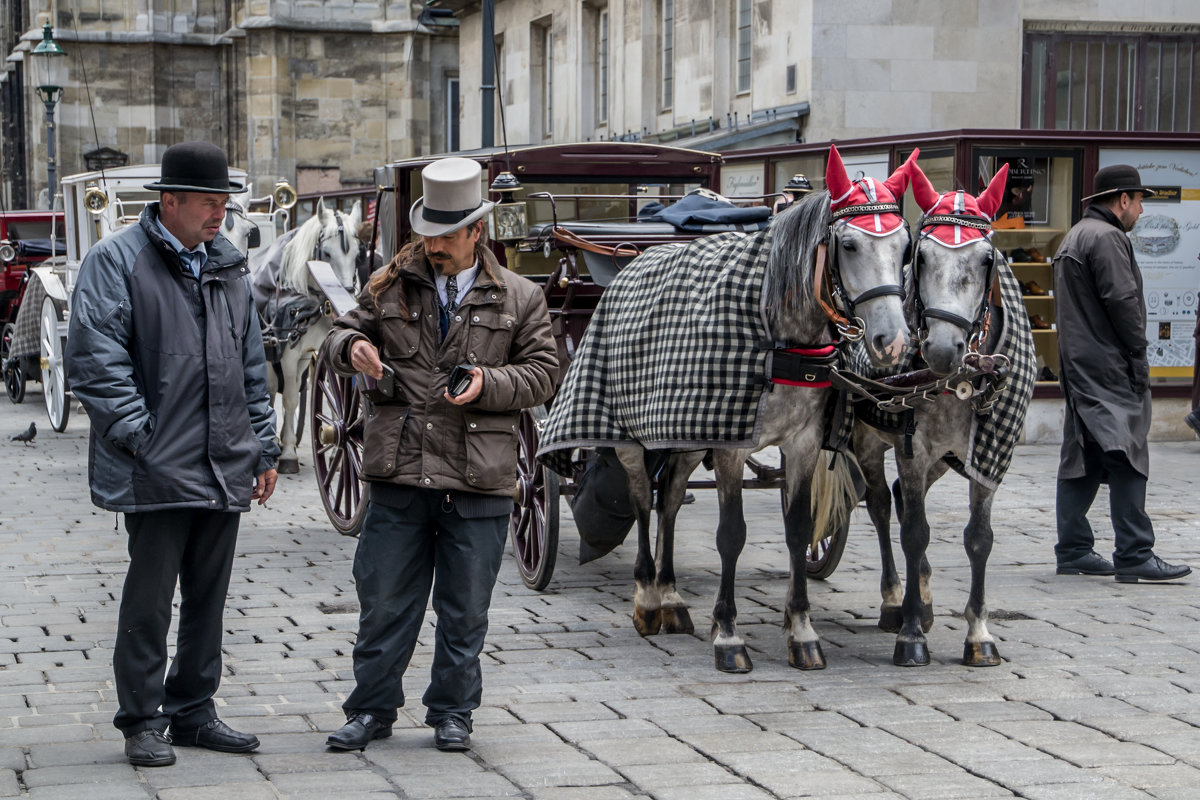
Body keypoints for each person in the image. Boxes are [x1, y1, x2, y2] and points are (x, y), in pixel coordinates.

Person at [322, 157, 557, 753]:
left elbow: (544, 375)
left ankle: (453, 713)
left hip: (478, 477)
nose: (436, 247)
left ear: (477, 230)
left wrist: (488, 384)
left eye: (448, 236)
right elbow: (336, 335)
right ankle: (371, 710)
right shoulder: (387, 286)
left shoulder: (520, 297)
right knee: (382, 603)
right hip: (400, 475)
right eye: (429, 235)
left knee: (464, 611)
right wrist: (352, 348)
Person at [65, 141, 280, 767]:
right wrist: (142, 436)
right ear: (171, 201)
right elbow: (94, 360)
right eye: (208, 203)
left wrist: (262, 450)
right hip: (156, 462)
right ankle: (141, 720)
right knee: (150, 599)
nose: (219, 214)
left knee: (209, 597)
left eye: (224, 203)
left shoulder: (228, 267)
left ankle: (193, 711)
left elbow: (250, 368)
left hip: (222, 458)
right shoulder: (117, 262)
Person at [1052, 164, 1191, 584]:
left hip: (1079, 365)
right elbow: (1123, 300)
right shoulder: (1108, 237)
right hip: (1107, 366)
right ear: (1122, 199)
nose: (1142, 210)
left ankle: (1073, 549)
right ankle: (1134, 553)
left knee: (1085, 455)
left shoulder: (1075, 235)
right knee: (1128, 452)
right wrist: (1138, 354)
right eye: (1139, 200)